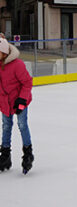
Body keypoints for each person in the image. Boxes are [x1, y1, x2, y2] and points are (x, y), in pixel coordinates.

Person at [0, 38, 34, 174]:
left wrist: (21, 99)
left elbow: (27, 82)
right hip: (4, 102)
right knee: (6, 126)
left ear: (3, 52)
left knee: (22, 125)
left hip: (19, 101)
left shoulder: (17, 64)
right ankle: (5, 155)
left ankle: (28, 154)